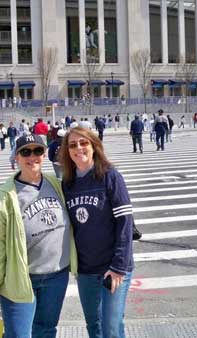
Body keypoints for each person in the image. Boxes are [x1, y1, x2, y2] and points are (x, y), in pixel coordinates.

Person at [0, 133, 78, 338]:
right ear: (16, 157)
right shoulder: (5, 196)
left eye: (37, 151)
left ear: (44, 155)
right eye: (25, 152)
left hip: (56, 275)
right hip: (20, 278)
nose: (32, 156)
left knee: (46, 330)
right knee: (18, 334)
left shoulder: (56, 184)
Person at [59, 127, 135, 338]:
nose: (79, 148)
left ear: (94, 146)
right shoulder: (68, 184)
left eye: (84, 143)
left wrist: (119, 267)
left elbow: (125, 223)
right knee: (94, 326)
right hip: (86, 269)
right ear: (67, 151)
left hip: (113, 267)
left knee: (110, 327)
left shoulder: (110, 177)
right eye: (73, 145)